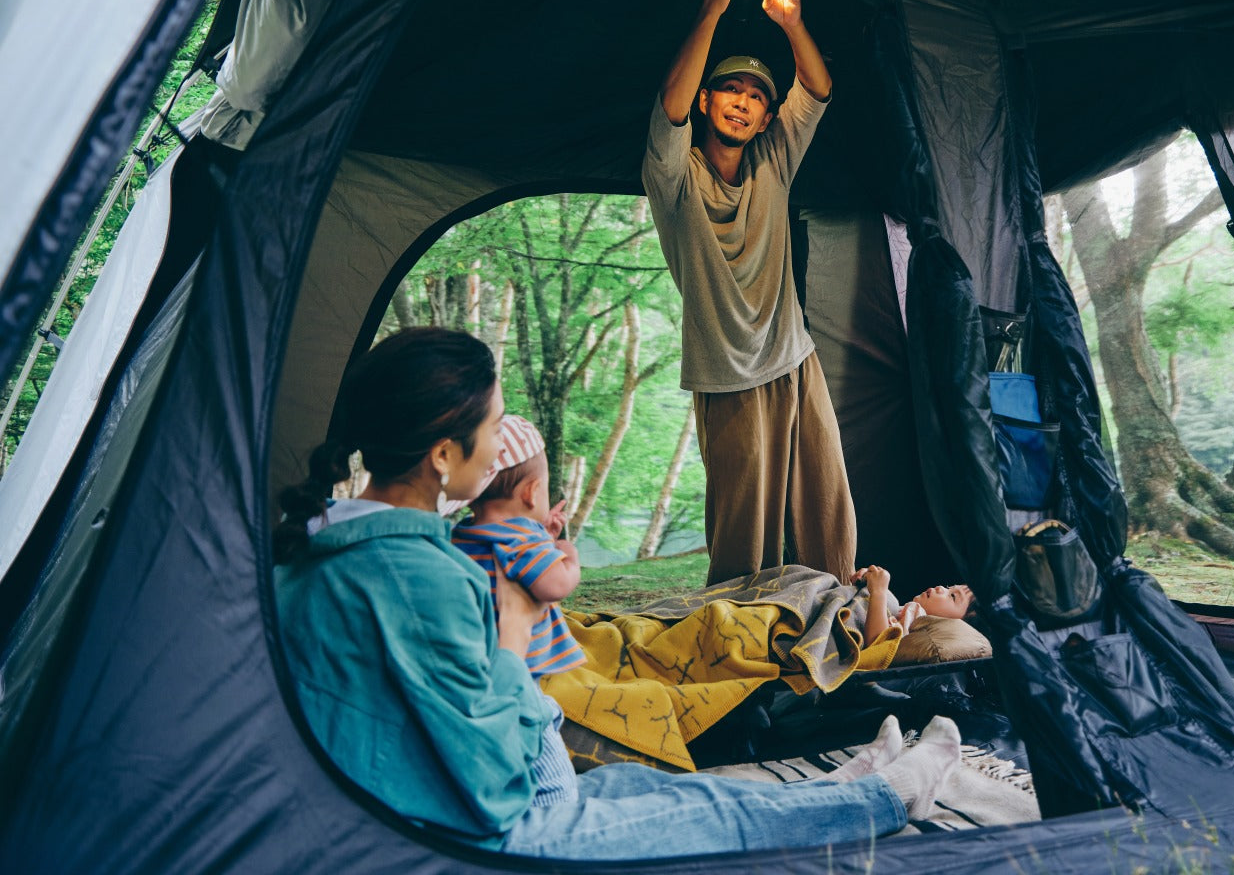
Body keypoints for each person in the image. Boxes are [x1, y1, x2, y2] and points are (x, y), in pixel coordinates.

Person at [273, 327, 962, 861]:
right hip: (465, 831)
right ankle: (885, 799)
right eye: (491, 430)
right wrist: (512, 648)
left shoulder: (320, 544)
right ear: (444, 456)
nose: (497, 455)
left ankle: (834, 789)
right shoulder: (420, 576)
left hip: (395, 795)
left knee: (640, 789)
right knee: (699, 820)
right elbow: (502, 791)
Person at [643, 0, 857, 585]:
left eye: (756, 96)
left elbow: (817, 89)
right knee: (746, 528)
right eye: (730, 90)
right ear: (708, 102)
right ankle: (740, 641)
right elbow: (669, 113)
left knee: (827, 508)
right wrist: (714, 7)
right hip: (725, 374)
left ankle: (838, 615)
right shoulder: (674, 177)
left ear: (767, 116)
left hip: (794, 358)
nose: (742, 102)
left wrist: (789, 21)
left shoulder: (775, 163)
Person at [452, 415, 586, 679]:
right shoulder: (521, 540)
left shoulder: (463, 534)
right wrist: (567, 555)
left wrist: (543, 536)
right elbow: (555, 585)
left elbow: (517, 565)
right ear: (532, 492)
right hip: (521, 662)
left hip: (477, 654)